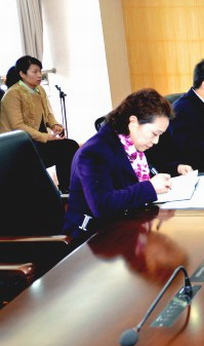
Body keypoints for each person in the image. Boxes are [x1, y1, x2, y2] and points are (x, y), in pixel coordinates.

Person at [63, 89, 191, 244]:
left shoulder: (130, 145)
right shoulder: (93, 152)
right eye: (154, 133)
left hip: (125, 224)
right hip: (94, 238)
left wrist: (174, 168)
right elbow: (102, 205)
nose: (156, 141)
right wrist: (150, 188)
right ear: (133, 122)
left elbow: (142, 171)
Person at [0, 55, 78, 193]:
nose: (39, 75)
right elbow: (18, 127)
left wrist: (54, 125)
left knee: (70, 146)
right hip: (18, 146)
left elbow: (47, 114)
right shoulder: (12, 94)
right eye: (35, 72)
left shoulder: (39, 89)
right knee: (62, 149)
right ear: (22, 74)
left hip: (36, 140)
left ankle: (66, 189)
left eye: (40, 71)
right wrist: (46, 137)